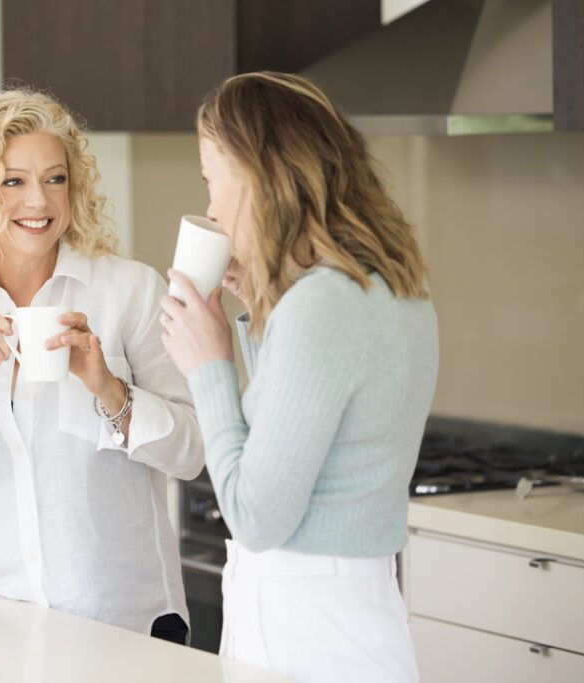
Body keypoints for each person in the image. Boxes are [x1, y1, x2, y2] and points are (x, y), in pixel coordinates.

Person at [0, 89, 203, 644]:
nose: (39, 201)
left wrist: (107, 388)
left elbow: (191, 454)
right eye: (13, 181)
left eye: (55, 179)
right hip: (5, 631)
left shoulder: (128, 291)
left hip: (129, 627)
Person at [159, 72, 439, 681]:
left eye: (213, 180)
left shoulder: (320, 308)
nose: (209, 206)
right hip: (352, 624)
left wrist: (210, 369)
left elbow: (256, 516)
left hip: (308, 639)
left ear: (257, 175)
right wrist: (263, 305)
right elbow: (301, 436)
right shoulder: (391, 290)